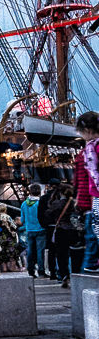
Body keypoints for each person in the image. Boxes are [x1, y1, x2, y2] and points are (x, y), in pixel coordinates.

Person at [76, 112, 99, 274]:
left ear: (88, 130)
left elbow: (94, 175)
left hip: (95, 199)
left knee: (93, 236)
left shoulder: (90, 148)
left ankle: (88, 271)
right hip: (93, 200)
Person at [22, 182, 46, 277]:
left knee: (30, 251)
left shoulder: (24, 204)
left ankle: (31, 271)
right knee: (40, 251)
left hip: (29, 230)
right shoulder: (40, 203)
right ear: (40, 192)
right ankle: (41, 271)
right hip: (40, 229)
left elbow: (22, 220)